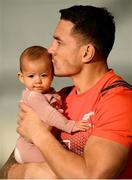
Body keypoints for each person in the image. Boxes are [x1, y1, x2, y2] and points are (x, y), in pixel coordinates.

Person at [0, 5, 132, 179]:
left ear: (87, 53)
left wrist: (38, 134)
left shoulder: (119, 101)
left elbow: (94, 177)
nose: (50, 50)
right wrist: (29, 172)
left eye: (59, 42)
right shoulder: (58, 97)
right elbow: (6, 170)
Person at [15, 45, 88, 164]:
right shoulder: (33, 97)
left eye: (44, 75)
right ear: (21, 77)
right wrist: (70, 125)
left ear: (52, 76)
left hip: (39, 144)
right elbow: (49, 114)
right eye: (31, 76)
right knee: (62, 164)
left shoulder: (49, 93)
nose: (38, 81)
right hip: (29, 148)